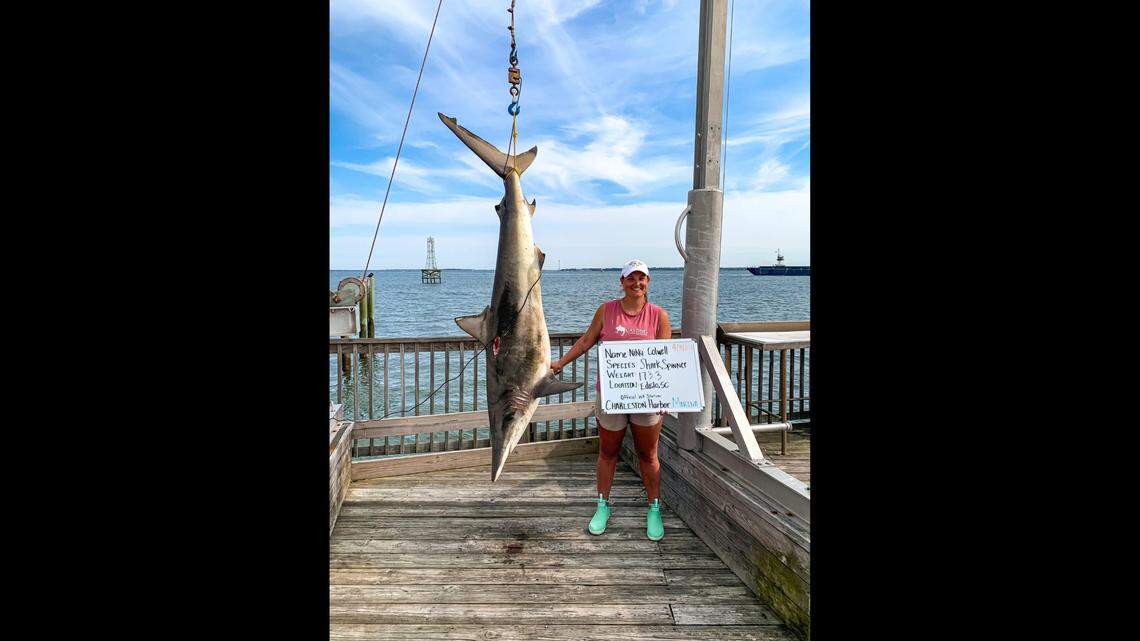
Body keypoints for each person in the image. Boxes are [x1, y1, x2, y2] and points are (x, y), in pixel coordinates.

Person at [550, 259, 671, 541]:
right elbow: (585, 342)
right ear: (622, 281)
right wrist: (559, 363)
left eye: (642, 278)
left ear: (648, 283)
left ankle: (654, 508)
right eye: (631, 278)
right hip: (612, 396)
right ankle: (602, 505)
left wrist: (666, 395)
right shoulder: (606, 311)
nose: (636, 283)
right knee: (608, 452)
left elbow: (666, 358)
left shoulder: (659, 316)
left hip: (647, 398)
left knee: (648, 454)